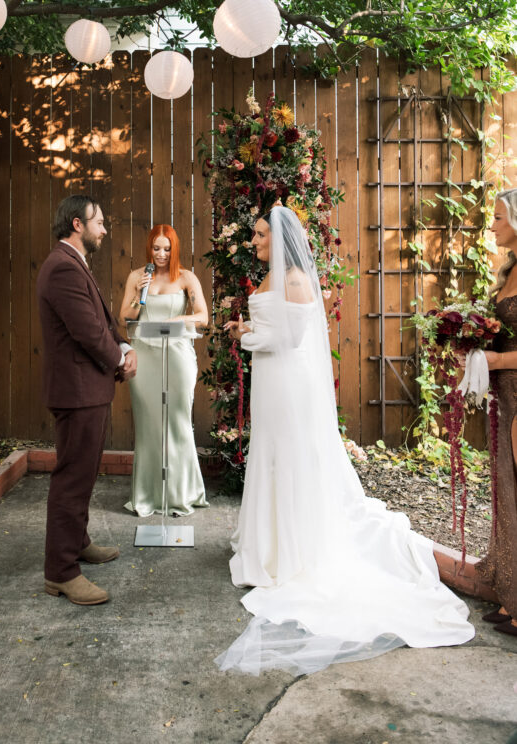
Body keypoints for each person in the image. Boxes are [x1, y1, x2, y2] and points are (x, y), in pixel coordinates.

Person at [216, 205, 474, 675]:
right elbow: (273, 330)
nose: (253, 242)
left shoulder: (293, 279)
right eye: (253, 235)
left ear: (277, 238)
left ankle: (288, 553)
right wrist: (247, 328)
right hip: (271, 383)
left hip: (285, 383)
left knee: (286, 459)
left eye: (258, 235)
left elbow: (290, 339)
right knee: (270, 456)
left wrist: (250, 337)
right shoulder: (275, 277)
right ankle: (267, 547)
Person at [37, 195, 136, 606]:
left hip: (88, 388)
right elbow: (86, 332)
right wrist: (120, 359)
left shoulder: (74, 263)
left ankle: (77, 543)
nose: (104, 229)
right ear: (77, 224)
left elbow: (102, 322)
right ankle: (61, 572)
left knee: (84, 473)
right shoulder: (62, 267)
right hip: (77, 392)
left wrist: (125, 345)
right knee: (73, 478)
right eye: (99, 222)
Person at [119, 224, 209, 516]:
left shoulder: (186, 277)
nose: (160, 254)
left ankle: (181, 494)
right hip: (145, 357)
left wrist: (177, 318)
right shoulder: (136, 276)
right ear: (149, 247)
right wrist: (139, 293)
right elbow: (126, 319)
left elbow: (203, 317)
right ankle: (148, 496)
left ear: (174, 250)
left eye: (166, 249)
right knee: (149, 424)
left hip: (178, 355)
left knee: (178, 420)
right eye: (156, 248)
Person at [468, 189, 517, 637]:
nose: (493, 226)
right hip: (505, 392)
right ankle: (510, 591)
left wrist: (497, 361)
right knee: (504, 487)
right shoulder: (510, 268)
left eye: (499, 218)